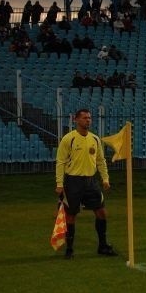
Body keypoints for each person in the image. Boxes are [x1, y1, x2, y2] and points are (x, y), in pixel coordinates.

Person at [55, 109, 118, 259]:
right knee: (71, 215)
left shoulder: (95, 139)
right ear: (76, 120)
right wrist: (59, 183)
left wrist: (105, 179)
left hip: (91, 182)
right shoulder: (68, 139)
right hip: (73, 182)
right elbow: (60, 162)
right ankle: (69, 249)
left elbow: (101, 161)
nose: (88, 120)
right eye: (84, 118)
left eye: (89, 118)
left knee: (101, 212)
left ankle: (102, 246)